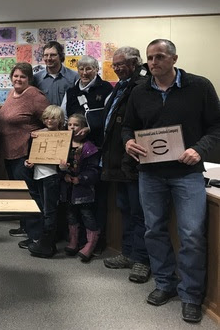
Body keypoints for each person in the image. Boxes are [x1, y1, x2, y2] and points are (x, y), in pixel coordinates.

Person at [123, 39, 220, 323]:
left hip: (188, 173)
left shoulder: (199, 86)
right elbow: (128, 126)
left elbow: (217, 125)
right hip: (150, 174)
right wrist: (128, 142)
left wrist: (199, 149)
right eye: (150, 59)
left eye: (160, 57)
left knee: (191, 234)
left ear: (174, 58)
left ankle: (190, 295)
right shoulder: (140, 91)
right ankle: (164, 283)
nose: (153, 63)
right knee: (154, 230)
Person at [101, 47, 151, 283]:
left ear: (134, 63)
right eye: (115, 65)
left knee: (139, 212)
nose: (117, 68)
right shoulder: (121, 87)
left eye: (121, 64)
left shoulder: (142, 87)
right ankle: (128, 252)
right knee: (125, 209)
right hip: (119, 160)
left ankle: (141, 259)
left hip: (135, 160)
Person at [0, 62, 50, 247]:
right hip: (9, 152)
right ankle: (25, 227)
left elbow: (52, 120)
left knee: (30, 194)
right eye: (15, 76)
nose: (18, 79)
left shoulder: (35, 95)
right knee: (19, 194)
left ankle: (36, 235)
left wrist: (39, 133)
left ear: (29, 79)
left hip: (24, 153)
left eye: (22, 77)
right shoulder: (13, 94)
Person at [23, 105, 65, 258]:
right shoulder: (38, 134)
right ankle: (46, 242)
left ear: (59, 120)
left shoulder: (63, 136)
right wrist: (28, 162)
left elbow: (65, 162)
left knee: (50, 211)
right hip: (38, 175)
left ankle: (46, 245)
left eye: (53, 118)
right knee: (43, 209)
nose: (49, 120)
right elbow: (30, 157)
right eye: (46, 117)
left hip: (52, 176)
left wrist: (64, 166)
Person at [59, 113, 101, 262]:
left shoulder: (89, 148)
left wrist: (81, 179)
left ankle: (90, 243)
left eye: (76, 125)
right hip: (68, 188)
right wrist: (62, 173)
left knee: (87, 214)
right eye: (70, 125)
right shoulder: (64, 144)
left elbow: (94, 170)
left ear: (83, 128)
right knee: (70, 214)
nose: (72, 127)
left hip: (83, 189)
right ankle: (74, 240)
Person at [61, 55, 113, 147]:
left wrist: (90, 128)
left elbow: (110, 116)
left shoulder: (106, 88)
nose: (84, 73)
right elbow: (64, 117)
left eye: (88, 69)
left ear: (96, 69)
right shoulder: (70, 92)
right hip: (74, 143)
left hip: (99, 143)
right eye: (81, 69)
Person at [34, 41, 79, 106]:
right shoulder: (36, 78)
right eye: (46, 55)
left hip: (67, 116)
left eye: (53, 55)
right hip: (44, 116)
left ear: (61, 56)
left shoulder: (74, 77)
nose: (49, 58)